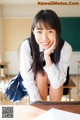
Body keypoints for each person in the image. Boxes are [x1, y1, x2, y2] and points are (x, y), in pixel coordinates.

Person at [19, 9, 72, 102]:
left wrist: (47, 57)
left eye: (50, 31)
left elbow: (57, 82)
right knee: (41, 75)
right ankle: (42, 109)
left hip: (59, 76)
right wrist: (37, 102)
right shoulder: (26, 45)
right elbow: (28, 79)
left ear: (57, 32)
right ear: (33, 31)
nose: (44, 38)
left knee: (53, 78)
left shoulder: (65, 47)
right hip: (36, 77)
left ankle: (55, 110)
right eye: (39, 32)